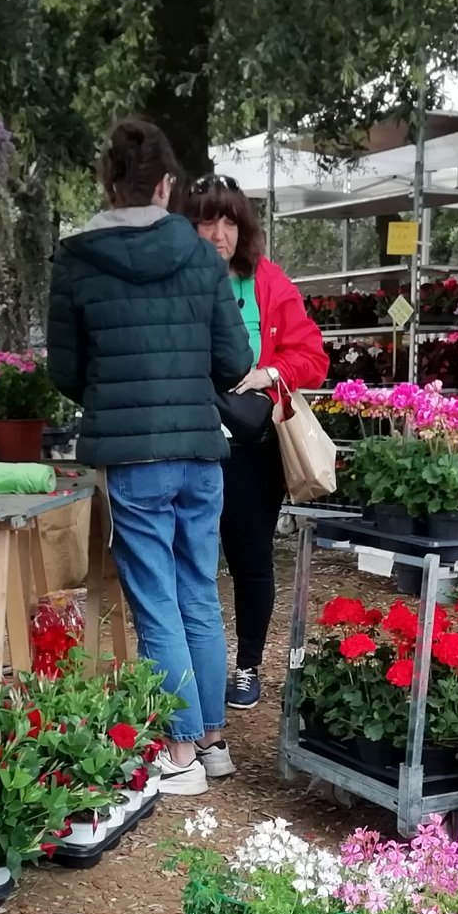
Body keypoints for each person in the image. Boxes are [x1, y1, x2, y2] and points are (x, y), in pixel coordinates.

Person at [48, 118, 251, 796]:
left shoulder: (76, 258)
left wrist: (113, 389)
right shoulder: (200, 257)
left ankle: (183, 753)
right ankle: (214, 743)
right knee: (198, 591)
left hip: (132, 456)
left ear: (107, 181)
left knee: (156, 603)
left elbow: (65, 371)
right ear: (166, 184)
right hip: (199, 448)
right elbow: (233, 361)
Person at [183, 174, 329, 710]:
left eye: (229, 221)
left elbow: (313, 356)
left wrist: (270, 373)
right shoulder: (172, 280)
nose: (219, 233)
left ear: (243, 228)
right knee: (191, 564)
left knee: (250, 559)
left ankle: (247, 667)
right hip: (188, 445)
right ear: (187, 224)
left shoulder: (266, 281)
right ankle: (191, 672)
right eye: (206, 219)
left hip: (251, 446)